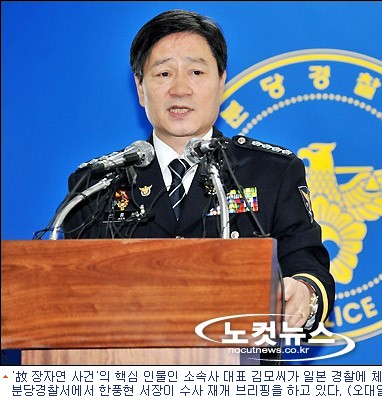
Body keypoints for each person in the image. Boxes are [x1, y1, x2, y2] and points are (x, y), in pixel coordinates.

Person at [63, 9, 334, 335]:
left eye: (195, 72)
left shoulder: (271, 173)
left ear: (221, 82)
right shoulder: (97, 184)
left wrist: (304, 293)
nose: (180, 89)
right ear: (140, 87)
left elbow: (307, 264)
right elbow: (69, 293)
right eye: (164, 74)